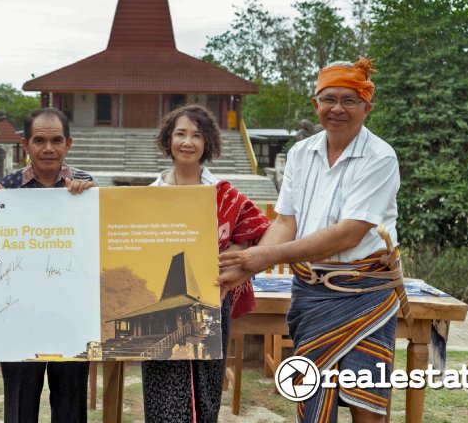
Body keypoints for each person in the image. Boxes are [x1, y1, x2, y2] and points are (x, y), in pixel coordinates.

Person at [218, 57, 402, 423]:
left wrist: (262, 257)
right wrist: (245, 267)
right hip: (312, 294)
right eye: (328, 98)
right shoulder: (302, 153)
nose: (337, 108)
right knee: (314, 399)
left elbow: (348, 234)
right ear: (315, 103)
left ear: (368, 106)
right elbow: (287, 221)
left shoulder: (380, 157)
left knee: (367, 405)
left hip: (365, 293)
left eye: (349, 100)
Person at [142, 104, 271, 423]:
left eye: (197, 135)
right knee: (163, 382)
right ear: (168, 140)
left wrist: (233, 264)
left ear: (208, 143)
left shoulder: (224, 195)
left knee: (206, 384)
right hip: (160, 303)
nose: (188, 142)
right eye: (180, 134)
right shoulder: (148, 196)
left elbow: (255, 231)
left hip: (212, 300)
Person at [0, 107, 96, 423]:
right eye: (39, 140)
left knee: (70, 405)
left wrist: (92, 200)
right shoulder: (6, 188)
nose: (48, 148)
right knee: (19, 405)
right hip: (19, 314)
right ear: (25, 144)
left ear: (69, 143)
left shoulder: (86, 186)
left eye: (56, 140)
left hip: (70, 315)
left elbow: (96, 245)